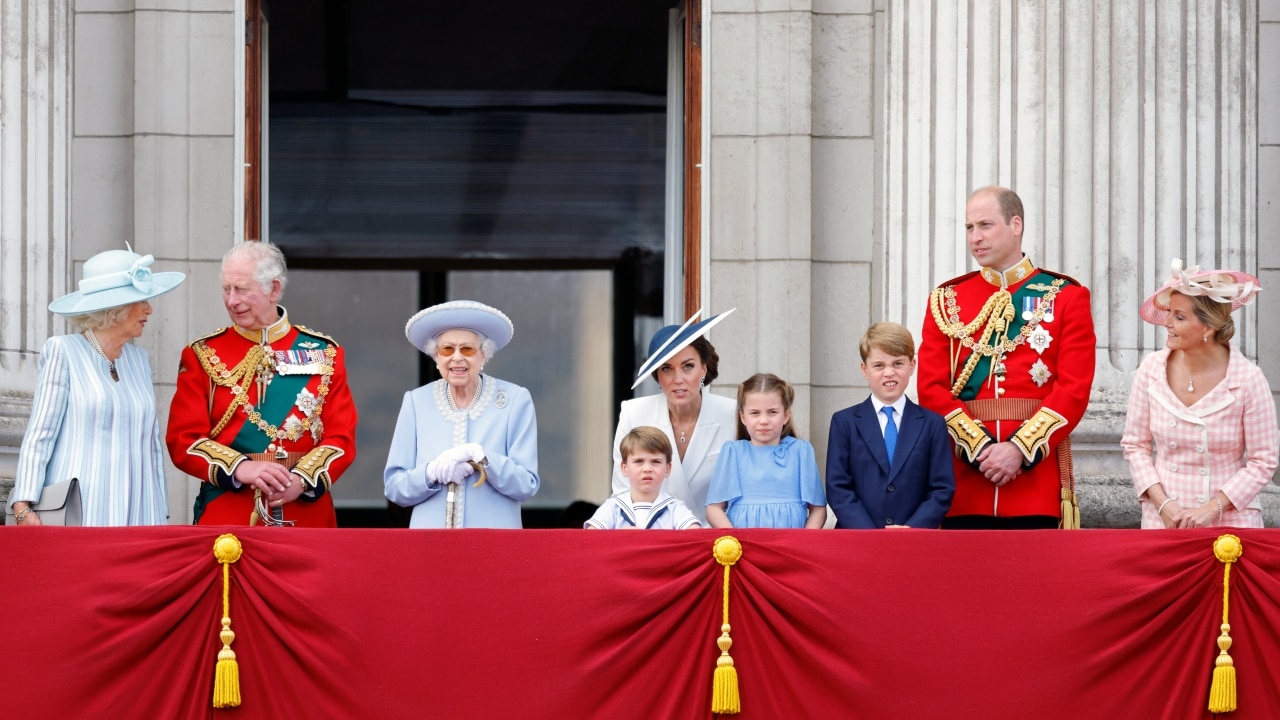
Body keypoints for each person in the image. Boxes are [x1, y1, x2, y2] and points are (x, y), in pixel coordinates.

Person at [918, 186, 1096, 529]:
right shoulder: (946, 300)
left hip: (1034, 484)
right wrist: (980, 448)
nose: (975, 238)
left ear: (1016, 225)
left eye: (985, 225)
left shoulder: (1065, 296)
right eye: (969, 228)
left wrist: (1019, 450)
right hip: (965, 484)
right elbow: (931, 389)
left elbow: (1073, 389)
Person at [166, 242, 357, 527]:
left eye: (242, 289)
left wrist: (302, 480)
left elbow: (340, 438)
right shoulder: (202, 354)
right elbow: (184, 440)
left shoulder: (325, 353)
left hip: (305, 511)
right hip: (228, 510)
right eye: (226, 289)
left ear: (274, 289)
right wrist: (241, 468)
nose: (232, 300)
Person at [9, 246, 185, 526]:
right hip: (80, 510)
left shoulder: (139, 359)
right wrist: (23, 505)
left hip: (138, 510)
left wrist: (158, 508)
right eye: (141, 300)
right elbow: (40, 434)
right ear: (115, 307)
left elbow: (151, 443)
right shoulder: (64, 351)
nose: (149, 309)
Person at [1121, 260, 1276, 529]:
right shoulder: (1151, 370)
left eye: (1179, 316)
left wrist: (1212, 508)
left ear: (1207, 328)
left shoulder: (1248, 379)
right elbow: (1135, 445)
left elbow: (1263, 461)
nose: (1167, 323)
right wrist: (1163, 504)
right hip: (1164, 521)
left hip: (1231, 523)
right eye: (1169, 312)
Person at [384, 300, 539, 528]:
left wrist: (484, 457)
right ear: (436, 357)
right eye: (447, 349)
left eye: (467, 349)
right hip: (430, 542)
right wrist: (430, 472)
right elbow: (394, 488)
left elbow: (526, 484)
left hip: (494, 543)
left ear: (484, 356)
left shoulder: (515, 400)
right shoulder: (416, 402)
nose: (457, 357)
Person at [611, 308, 737, 525]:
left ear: (704, 369)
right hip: (654, 541)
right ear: (657, 375)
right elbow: (623, 494)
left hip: (718, 543)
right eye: (667, 368)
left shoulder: (733, 413)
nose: (678, 379)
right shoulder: (634, 413)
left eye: (688, 366)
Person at [826, 322, 954, 529]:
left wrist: (912, 528)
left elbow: (941, 488)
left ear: (911, 366)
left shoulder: (932, 424)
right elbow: (838, 487)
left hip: (913, 540)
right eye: (879, 365)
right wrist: (871, 534)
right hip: (858, 540)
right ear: (864, 369)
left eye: (897, 364)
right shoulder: (844, 422)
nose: (889, 372)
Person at [705, 373, 826, 529]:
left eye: (772, 412)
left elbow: (818, 509)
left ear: (785, 416)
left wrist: (803, 543)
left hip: (791, 547)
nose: (764, 421)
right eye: (755, 413)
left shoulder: (801, 451)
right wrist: (735, 541)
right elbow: (714, 508)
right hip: (744, 547)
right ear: (742, 417)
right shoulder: (733, 452)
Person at [586, 426, 701, 529]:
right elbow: (591, 539)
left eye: (655, 461)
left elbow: (694, 536)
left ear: (667, 469)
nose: (647, 469)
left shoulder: (675, 509)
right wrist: (618, 537)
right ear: (624, 468)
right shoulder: (613, 508)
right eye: (639, 461)